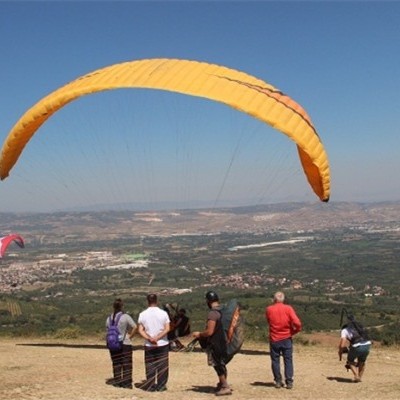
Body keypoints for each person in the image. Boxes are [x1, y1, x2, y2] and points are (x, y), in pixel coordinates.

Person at [192, 290, 232, 396]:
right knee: (221, 363)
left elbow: (209, 332)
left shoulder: (213, 313)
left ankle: (224, 386)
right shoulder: (223, 311)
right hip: (224, 342)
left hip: (216, 343)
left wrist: (199, 334)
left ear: (208, 301)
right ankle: (222, 383)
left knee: (217, 364)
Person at [265, 291, 302, 390]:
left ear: (274, 299)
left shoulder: (269, 309)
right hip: (286, 338)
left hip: (274, 338)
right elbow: (297, 323)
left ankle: (278, 381)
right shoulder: (288, 308)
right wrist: (294, 331)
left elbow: (268, 321)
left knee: (275, 360)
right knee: (288, 360)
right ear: (283, 299)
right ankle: (289, 381)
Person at [138, 293, 171, 392]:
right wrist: (157, 338)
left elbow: (140, 330)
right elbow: (167, 328)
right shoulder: (163, 313)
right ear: (157, 301)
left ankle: (151, 385)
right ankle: (161, 385)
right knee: (163, 365)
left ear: (147, 301)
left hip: (149, 344)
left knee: (150, 364)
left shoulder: (142, 314)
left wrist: (150, 339)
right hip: (162, 343)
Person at [105, 298, 137, 389]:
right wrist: (130, 336)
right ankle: (127, 383)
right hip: (125, 342)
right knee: (127, 363)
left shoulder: (109, 318)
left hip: (113, 343)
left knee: (116, 362)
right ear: (122, 306)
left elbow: (107, 331)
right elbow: (135, 327)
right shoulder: (125, 317)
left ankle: (117, 381)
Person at [338, 315, 371, 382]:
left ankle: (356, 376)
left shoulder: (345, 330)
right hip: (367, 344)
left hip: (357, 346)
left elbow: (342, 344)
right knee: (362, 361)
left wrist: (340, 351)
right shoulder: (359, 327)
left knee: (350, 360)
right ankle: (360, 377)